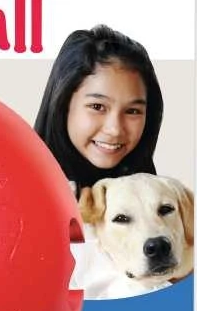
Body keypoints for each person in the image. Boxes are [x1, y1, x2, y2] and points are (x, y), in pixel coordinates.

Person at [33, 24, 164, 195]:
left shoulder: (155, 197)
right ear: (63, 105)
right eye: (97, 107)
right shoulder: (23, 189)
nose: (115, 129)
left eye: (132, 111)